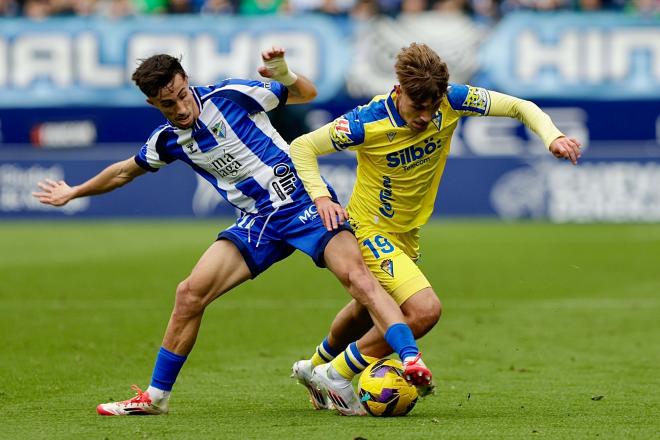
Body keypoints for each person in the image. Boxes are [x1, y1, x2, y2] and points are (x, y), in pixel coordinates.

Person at [32, 47, 432, 416]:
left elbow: (305, 94)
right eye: (167, 104)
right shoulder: (169, 140)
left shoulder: (233, 93)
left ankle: (409, 358)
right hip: (258, 223)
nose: (181, 107)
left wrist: (284, 73)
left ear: (186, 80)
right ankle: (155, 399)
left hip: (304, 203)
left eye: (182, 94)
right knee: (189, 294)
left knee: (358, 278)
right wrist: (75, 191)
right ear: (153, 103)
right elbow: (123, 171)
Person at [289, 42, 582, 416]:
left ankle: (314, 366)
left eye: (432, 107)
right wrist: (321, 198)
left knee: (366, 311)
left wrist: (552, 136)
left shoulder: (453, 100)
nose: (426, 117)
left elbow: (519, 106)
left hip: (406, 233)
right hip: (368, 229)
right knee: (424, 310)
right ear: (398, 92)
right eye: (417, 107)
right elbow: (302, 147)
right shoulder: (365, 122)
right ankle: (337, 373)